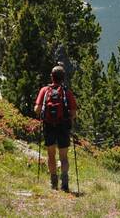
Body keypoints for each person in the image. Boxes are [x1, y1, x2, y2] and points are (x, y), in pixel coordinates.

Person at [34, 64, 77, 192]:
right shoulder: (66, 92)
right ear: (63, 78)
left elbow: (36, 109)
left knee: (51, 155)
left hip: (48, 125)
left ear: (51, 77)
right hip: (63, 126)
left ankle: (53, 183)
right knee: (63, 157)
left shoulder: (44, 90)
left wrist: (43, 113)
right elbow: (74, 113)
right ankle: (65, 184)